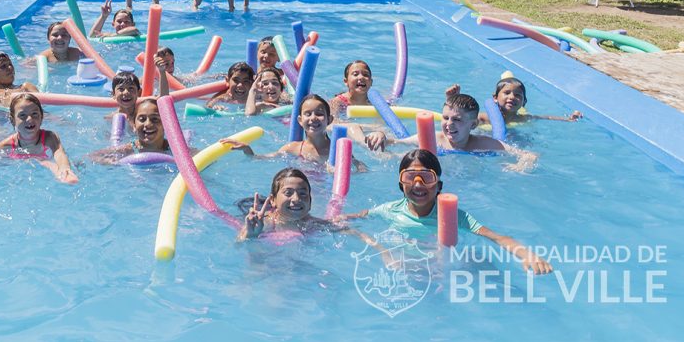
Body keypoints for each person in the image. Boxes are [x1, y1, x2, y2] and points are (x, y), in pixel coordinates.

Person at [341, 149, 553, 274]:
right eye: (410, 177)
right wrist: (384, 253)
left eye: (427, 177)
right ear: (400, 184)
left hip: (441, 271)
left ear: (439, 185)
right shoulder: (388, 210)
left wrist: (526, 254)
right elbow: (351, 221)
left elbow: (496, 238)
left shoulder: (452, 217)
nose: (418, 184)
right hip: (405, 269)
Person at [349, 92, 538, 173]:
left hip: (466, 180)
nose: (449, 124)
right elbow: (394, 143)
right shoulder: (434, 138)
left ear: (473, 125)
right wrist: (381, 136)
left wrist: (520, 166)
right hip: (435, 174)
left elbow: (529, 155)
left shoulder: (484, 143)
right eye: (446, 118)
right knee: (391, 157)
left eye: (457, 120)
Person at [228, 94, 366, 170]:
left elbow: (361, 170)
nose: (313, 118)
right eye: (308, 114)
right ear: (300, 120)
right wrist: (248, 150)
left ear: (329, 120)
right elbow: (263, 158)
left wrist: (339, 173)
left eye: (319, 113)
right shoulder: (293, 148)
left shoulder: (338, 149)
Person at [0, 94, 78, 184]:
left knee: (49, 163)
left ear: (41, 117)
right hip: (22, 175)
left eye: (34, 114)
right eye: (22, 115)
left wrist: (64, 168)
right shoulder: (7, 145)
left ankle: (64, 175)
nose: (29, 119)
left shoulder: (49, 137)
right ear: (13, 120)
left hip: (45, 164)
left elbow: (59, 153)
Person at [237, 168, 329, 241]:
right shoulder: (261, 223)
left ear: (310, 202)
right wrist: (250, 236)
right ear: (273, 200)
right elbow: (238, 246)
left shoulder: (316, 224)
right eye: (288, 193)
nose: (296, 199)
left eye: (303, 194)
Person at [456, 79, 583, 124]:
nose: (512, 97)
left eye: (517, 95)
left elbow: (547, 117)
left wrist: (570, 119)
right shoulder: (483, 118)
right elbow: (460, 117)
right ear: (495, 98)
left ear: (524, 102)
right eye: (506, 93)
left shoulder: (522, 118)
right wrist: (454, 98)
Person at [90, 97, 175, 163]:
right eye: (142, 119)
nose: (148, 124)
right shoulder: (129, 149)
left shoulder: (173, 149)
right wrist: (110, 162)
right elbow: (93, 156)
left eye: (155, 119)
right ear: (134, 125)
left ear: (166, 124)